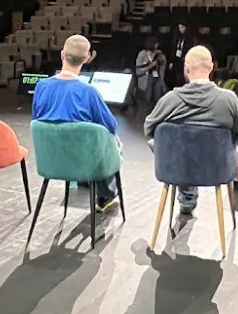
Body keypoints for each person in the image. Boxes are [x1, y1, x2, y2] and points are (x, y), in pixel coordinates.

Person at [144, 45, 238, 216]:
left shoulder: (170, 100)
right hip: (217, 169)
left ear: (186, 69)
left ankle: (187, 196)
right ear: (211, 67)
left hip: (178, 167)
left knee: (172, 145)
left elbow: (149, 128)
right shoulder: (229, 99)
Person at [32, 34, 120, 212]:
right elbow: (111, 125)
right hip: (83, 161)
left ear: (62, 55)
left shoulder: (41, 87)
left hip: (51, 161)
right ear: (87, 59)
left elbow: (36, 119)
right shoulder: (89, 92)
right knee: (111, 141)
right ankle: (105, 196)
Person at [135, 37, 167, 108]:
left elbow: (163, 67)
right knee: (147, 100)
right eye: (155, 44)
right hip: (147, 79)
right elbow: (138, 71)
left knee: (157, 100)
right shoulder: (142, 54)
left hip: (157, 78)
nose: (157, 46)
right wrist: (150, 66)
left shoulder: (159, 53)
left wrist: (162, 60)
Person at [167, 21, 193, 89]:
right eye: (179, 27)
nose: (181, 29)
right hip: (177, 60)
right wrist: (171, 61)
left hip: (185, 60)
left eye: (182, 27)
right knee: (176, 77)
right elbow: (174, 50)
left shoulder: (189, 38)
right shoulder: (177, 38)